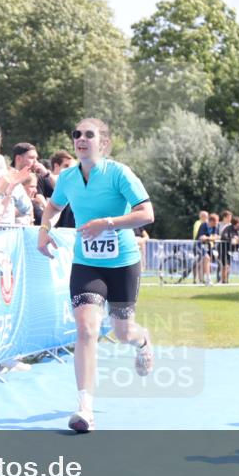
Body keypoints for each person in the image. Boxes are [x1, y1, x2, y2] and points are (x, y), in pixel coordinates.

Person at [37, 118, 155, 433]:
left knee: (123, 332)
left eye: (88, 135)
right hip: (87, 263)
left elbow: (147, 213)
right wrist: (44, 230)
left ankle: (142, 340)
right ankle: (85, 409)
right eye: (76, 134)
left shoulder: (119, 173)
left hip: (123, 263)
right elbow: (53, 207)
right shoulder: (68, 177)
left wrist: (108, 223)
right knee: (86, 328)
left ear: (103, 143)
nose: (80, 139)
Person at [196, 212, 220, 286]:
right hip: (199, 245)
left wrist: (208, 238)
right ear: (211, 221)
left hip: (208, 246)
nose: (217, 223)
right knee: (206, 258)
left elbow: (217, 237)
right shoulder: (203, 225)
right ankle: (208, 279)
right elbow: (201, 237)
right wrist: (211, 238)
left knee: (205, 261)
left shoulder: (215, 227)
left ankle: (201, 280)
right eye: (216, 221)